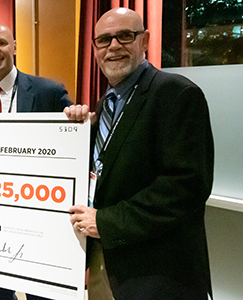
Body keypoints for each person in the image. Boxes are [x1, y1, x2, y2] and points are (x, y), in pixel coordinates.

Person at [65, 8, 214, 300]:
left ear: (144, 40)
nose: (114, 46)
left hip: (159, 276)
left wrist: (106, 223)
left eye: (124, 36)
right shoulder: (105, 103)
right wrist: (75, 133)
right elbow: (107, 172)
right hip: (107, 268)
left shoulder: (177, 94)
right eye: (104, 40)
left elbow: (186, 187)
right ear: (94, 48)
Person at [0, 22, 72, 300]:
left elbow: (71, 148)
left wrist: (79, 119)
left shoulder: (48, 92)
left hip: (38, 212)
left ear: (14, 46)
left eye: (1, 42)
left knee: (41, 293)